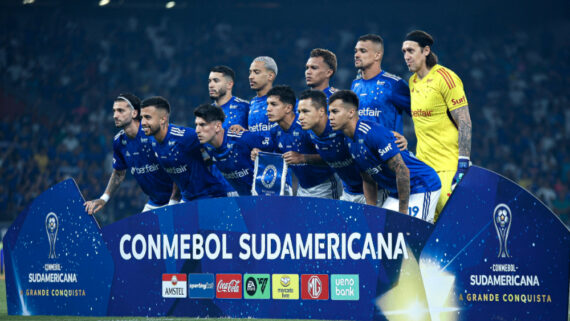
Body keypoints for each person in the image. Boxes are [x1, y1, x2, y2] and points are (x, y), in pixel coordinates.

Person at [328, 90, 441, 223]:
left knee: (410, 233)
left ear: (351, 112)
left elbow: (402, 170)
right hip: (397, 191)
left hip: (421, 184)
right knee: (382, 231)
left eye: (335, 112)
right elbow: (368, 179)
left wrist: (402, 214)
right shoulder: (349, 140)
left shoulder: (371, 133)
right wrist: (371, 211)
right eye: (329, 112)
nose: (330, 117)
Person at [402, 30, 472, 217]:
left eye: (410, 50)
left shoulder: (445, 78)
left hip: (449, 168)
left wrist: (463, 164)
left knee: (454, 229)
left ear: (426, 51)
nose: (406, 56)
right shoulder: (412, 82)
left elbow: (464, 121)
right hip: (425, 171)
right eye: (404, 52)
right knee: (428, 235)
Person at [84, 93, 178, 215]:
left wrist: (173, 203)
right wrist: (104, 198)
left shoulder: (153, 133)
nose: (115, 115)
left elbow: (178, 167)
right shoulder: (119, 141)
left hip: (180, 200)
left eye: (120, 110)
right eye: (114, 111)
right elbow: (118, 173)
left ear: (134, 113)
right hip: (155, 203)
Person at [254, 85, 341, 199]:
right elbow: (280, 157)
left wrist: (302, 158)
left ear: (288, 108)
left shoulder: (307, 127)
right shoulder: (275, 131)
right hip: (302, 189)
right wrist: (260, 155)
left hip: (326, 186)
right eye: (267, 104)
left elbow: (332, 158)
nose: (268, 109)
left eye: (274, 104)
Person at [140, 96, 231, 202]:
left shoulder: (184, 137)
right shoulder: (152, 140)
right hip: (187, 199)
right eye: (141, 117)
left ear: (163, 119)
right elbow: (176, 171)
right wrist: (174, 198)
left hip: (209, 196)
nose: (143, 122)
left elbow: (219, 144)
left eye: (148, 117)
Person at [297, 89, 373, 203]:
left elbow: (369, 131)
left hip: (372, 190)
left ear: (322, 111)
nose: (300, 117)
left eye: (305, 111)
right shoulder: (309, 132)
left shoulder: (340, 126)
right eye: (299, 112)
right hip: (348, 192)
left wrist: (392, 135)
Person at [194, 104, 271, 196]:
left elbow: (273, 147)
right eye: (196, 125)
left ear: (218, 126)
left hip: (266, 196)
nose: (197, 130)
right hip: (243, 199)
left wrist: (262, 154)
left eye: (202, 125)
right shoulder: (205, 145)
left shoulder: (241, 138)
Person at [351, 34, 411, 134]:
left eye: (363, 51)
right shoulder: (355, 84)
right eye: (356, 51)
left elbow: (419, 115)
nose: (356, 55)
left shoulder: (394, 84)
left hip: (388, 148)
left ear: (377, 55)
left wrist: (405, 139)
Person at [208, 65, 249, 130]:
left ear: (229, 84)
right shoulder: (207, 112)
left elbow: (258, 136)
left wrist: (245, 133)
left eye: (216, 81)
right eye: (209, 81)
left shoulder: (244, 107)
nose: (210, 85)